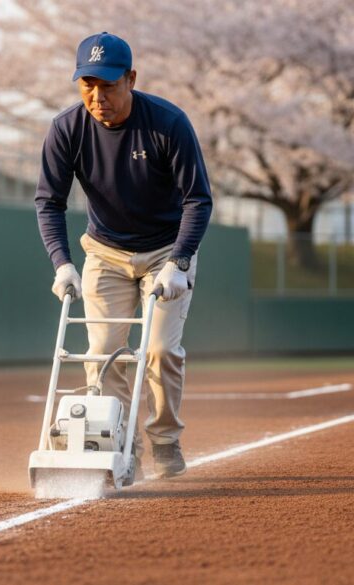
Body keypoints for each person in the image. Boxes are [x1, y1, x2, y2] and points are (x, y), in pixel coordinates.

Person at [35, 32, 213, 478]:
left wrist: (180, 262)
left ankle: (166, 442)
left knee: (158, 351)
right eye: (87, 84)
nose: (98, 97)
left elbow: (198, 199)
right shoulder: (66, 129)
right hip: (106, 252)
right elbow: (49, 202)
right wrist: (62, 264)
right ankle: (121, 446)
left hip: (165, 253)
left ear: (130, 79)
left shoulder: (167, 124)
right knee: (104, 351)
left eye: (109, 85)